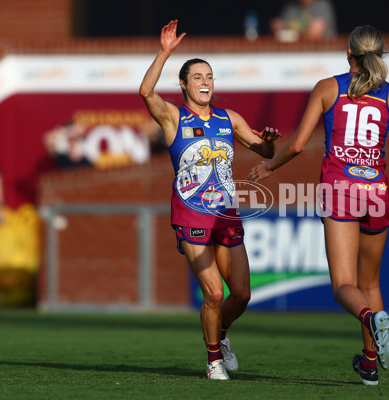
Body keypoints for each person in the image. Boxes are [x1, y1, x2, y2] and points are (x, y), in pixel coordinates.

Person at [248, 25, 389, 385]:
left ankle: (368, 318)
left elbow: (298, 145)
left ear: (349, 53)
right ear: (379, 54)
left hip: (340, 190)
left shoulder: (328, 88)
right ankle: (370, 364)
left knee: (344, 285)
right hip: (376, 192)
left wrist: (268, 165)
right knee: (370, 282)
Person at [140, 20, 280, 380]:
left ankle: (222, 335)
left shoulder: (227, 118)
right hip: (190, 216)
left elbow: (262, 147)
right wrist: (165, 53)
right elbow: (145, 92)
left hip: (225, 215)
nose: (205, 82)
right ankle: (213, 360)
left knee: (242, 295)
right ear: (184, 83)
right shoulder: (174, 117)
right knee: (214, 294)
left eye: (210, 77)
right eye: (198, 77)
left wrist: (269, 141)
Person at [271, 0, 337, 42]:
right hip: (295, 54)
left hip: (323, 55)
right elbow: (277, 27)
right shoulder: (291, 7)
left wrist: (290, 29)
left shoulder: (322, 5)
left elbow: (315, 33)